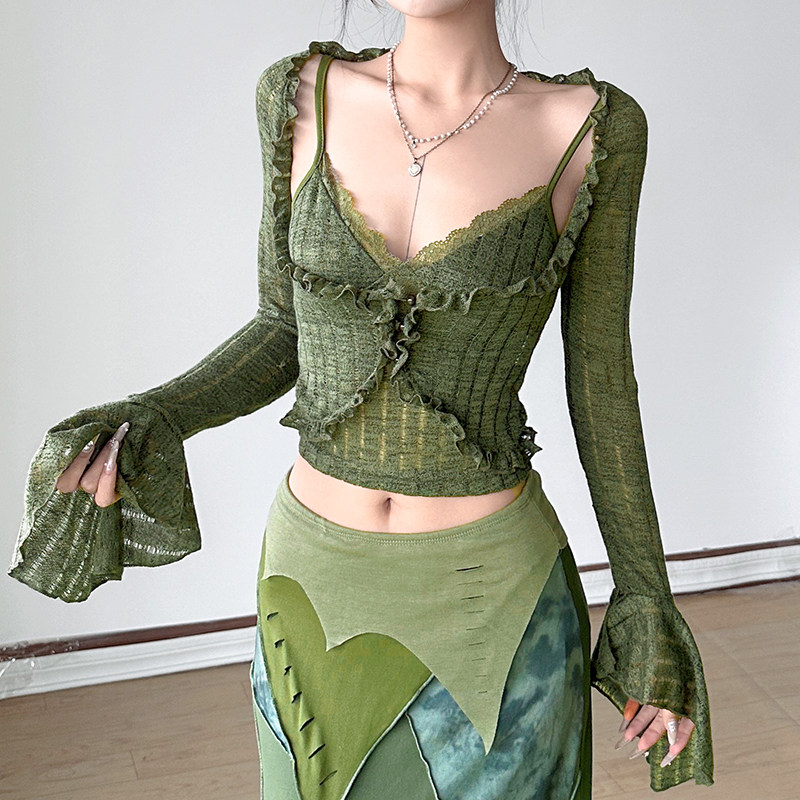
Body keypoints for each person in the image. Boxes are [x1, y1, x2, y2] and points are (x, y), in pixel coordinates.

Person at [8, 1, 714, 798]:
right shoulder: (297, 95)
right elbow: (283, 326)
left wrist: (647, 603)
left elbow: (601, 381)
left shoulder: (591, 128)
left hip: (497, 599)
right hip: (310, 585)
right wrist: (154, 417)